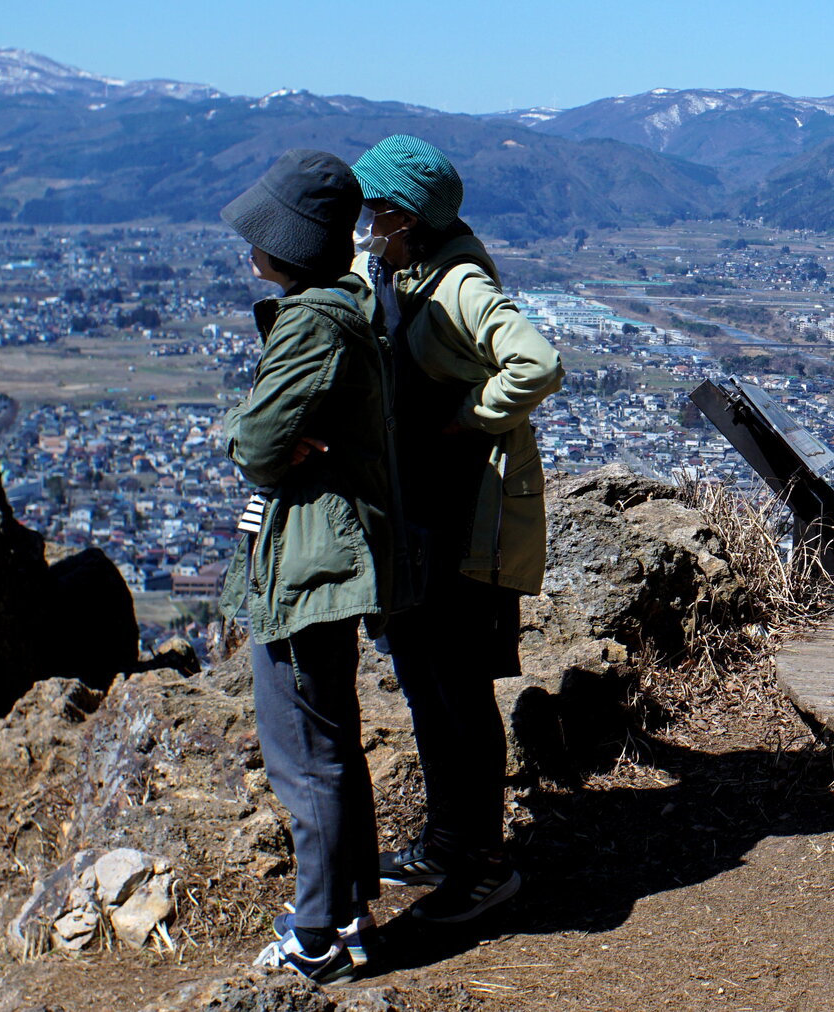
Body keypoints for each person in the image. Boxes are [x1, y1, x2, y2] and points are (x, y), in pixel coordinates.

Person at [350, 134, 563, 924]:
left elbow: (537, 364)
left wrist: (467, 423)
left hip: (461, 518)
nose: (370, 222)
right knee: (426, 686)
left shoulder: (460, 282)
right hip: (423, 516)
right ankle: (447, 839)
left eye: (379, 209)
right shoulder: (413, 269)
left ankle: (482, 863)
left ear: (410, 215)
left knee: (457, 691)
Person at [218, 149, 391, 982]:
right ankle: (349, 908)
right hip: (325, 557)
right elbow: (266, 434)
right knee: (330, 742)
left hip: (306, 564)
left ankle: (316, 937)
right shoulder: (341, 307)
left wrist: (255, 438)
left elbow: (254, 442)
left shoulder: (312, 321)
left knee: (301, 754)